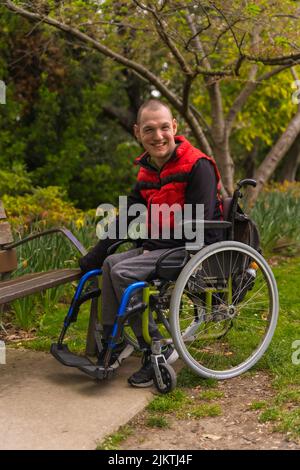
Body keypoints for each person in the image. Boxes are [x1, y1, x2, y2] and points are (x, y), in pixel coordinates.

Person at [79, 99, 223, 387]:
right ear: (137, 133)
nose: (158, 136)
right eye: (149, 130)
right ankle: (114, 341)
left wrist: (152, 245)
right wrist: (95, 254)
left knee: (123, 272)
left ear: (175, 128)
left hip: (195, 249)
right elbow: (128, 217)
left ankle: (156, 347)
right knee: (108, 264)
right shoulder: (146, 171)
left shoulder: (198, 165)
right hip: (162, 246)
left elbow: (199, 225)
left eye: (164, 128)